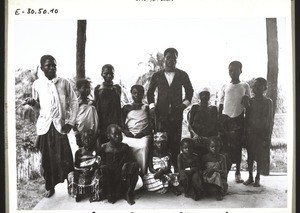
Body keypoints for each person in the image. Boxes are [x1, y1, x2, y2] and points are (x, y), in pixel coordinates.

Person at [23, 55, 78, 197]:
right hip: (45, 127)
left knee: (66, 157)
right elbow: (37, 109)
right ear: (42, 68)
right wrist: (32, 103)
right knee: (47, 159)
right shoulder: (37, 84)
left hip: (60, 126)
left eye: (54, 65)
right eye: (48, 65)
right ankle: (50, 187)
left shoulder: (64, 83)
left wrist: (71, 122)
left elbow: (73, 102)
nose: (52, 68)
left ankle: (71, 186)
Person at [147, 47, 194, 171]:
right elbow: (150, 93)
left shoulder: (182, 75)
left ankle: (175, 173)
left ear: (176, 60)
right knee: (161, 143)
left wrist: (183, 105)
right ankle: (161, 172)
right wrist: (152, 107)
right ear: (164, 59)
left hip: (176, 115)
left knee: (175, 143)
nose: (171, 61)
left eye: (174, 59)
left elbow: (190, 92)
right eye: (168, 58)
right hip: (160, 115)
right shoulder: (157, 75)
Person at [219, 61, 250, 183]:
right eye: (230, 70)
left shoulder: (245, 86)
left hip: (238, 119)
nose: (232, 72)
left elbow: (248, 102)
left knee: (237, 146)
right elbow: (221, 103)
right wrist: (219, 119)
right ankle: (225, 173)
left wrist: (247, 100)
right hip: (226, 119)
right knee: (225, 146)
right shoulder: (225, 86)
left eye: (235, 70)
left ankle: (237, 173)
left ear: (240, 71)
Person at [243, 78, 273, 187]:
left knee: (259, 157)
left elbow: (270, 120)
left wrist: (267, 137)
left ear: (265, 88)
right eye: (255, 86)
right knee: (250, 156)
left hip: (262, 134)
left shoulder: (268, 102)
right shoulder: (250, 101)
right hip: (251, 133)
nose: (257, 88)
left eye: (260, 86)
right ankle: (250, 177)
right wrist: (245, 134)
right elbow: (246, 118)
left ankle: (257, 177)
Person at [99, 124, 139, 205]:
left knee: (134, 166)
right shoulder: (104, 147)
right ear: (108, 136)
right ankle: (110, 194)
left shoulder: (125, 147)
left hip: (122, 175)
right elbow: (100, 162)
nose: (118, 136)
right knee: (103, 168)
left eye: (120, 134)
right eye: (115, 134)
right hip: (110, 177)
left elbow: (132, 161)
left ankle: (128, 193)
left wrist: (126, 165)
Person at [122, 84, 152, 175]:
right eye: (134, 93)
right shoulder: (126, 107)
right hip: (129, 134)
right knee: (123, 144)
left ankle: (142, 172)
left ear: (143, 94)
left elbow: (151, 125)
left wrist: (142, 133)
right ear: (131, 94)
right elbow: (121, 123)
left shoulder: (147, 108)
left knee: (143, 146)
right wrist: (127, 132)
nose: (137, 95)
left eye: (140, 93)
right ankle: (126, 172)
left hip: (143, 135)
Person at [67, 129, 102, 202]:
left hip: (92, 173)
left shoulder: (96, 150)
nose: (87, 140)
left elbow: (98, 161)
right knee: (71, 175)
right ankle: (78, 193)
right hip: (81, 174)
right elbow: (76, 167)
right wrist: (82, 171)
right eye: (85, 138)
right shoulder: (79, 152)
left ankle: (95, 194)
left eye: (89, 138)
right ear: (81, 139)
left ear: (93, 139)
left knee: (99, 173)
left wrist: (93, 168)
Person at [94, 64, 122, 149]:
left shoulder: (117, 88)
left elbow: (118, 105)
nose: (109, 75)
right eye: (106, 73)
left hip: (114, 119)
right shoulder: (98, 89)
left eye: (111, 73)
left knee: (116, 143)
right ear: (102, 74)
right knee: (103, 145)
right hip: (103, 121)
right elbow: (96, 106)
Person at [188, 87, 218, 158]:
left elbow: (215, 125)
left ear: (209, 96)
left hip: (209, 138)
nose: (205, 96)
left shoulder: (213, 108)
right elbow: (190, 125)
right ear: (199, 96)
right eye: (203, 94)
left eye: (207, 94)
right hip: (196, 137)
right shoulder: (195, 107)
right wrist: (195, 135)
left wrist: (208, 138)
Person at [74, 79, 99, 147]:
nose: (87, 90)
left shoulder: (92, 102)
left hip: (92, 132)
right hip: (81, 131)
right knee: (82, 149)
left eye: (88, 88)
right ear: (78, 89)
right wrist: (76, 134)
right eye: (84, 88)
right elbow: (72, 120)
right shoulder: (76, 103)